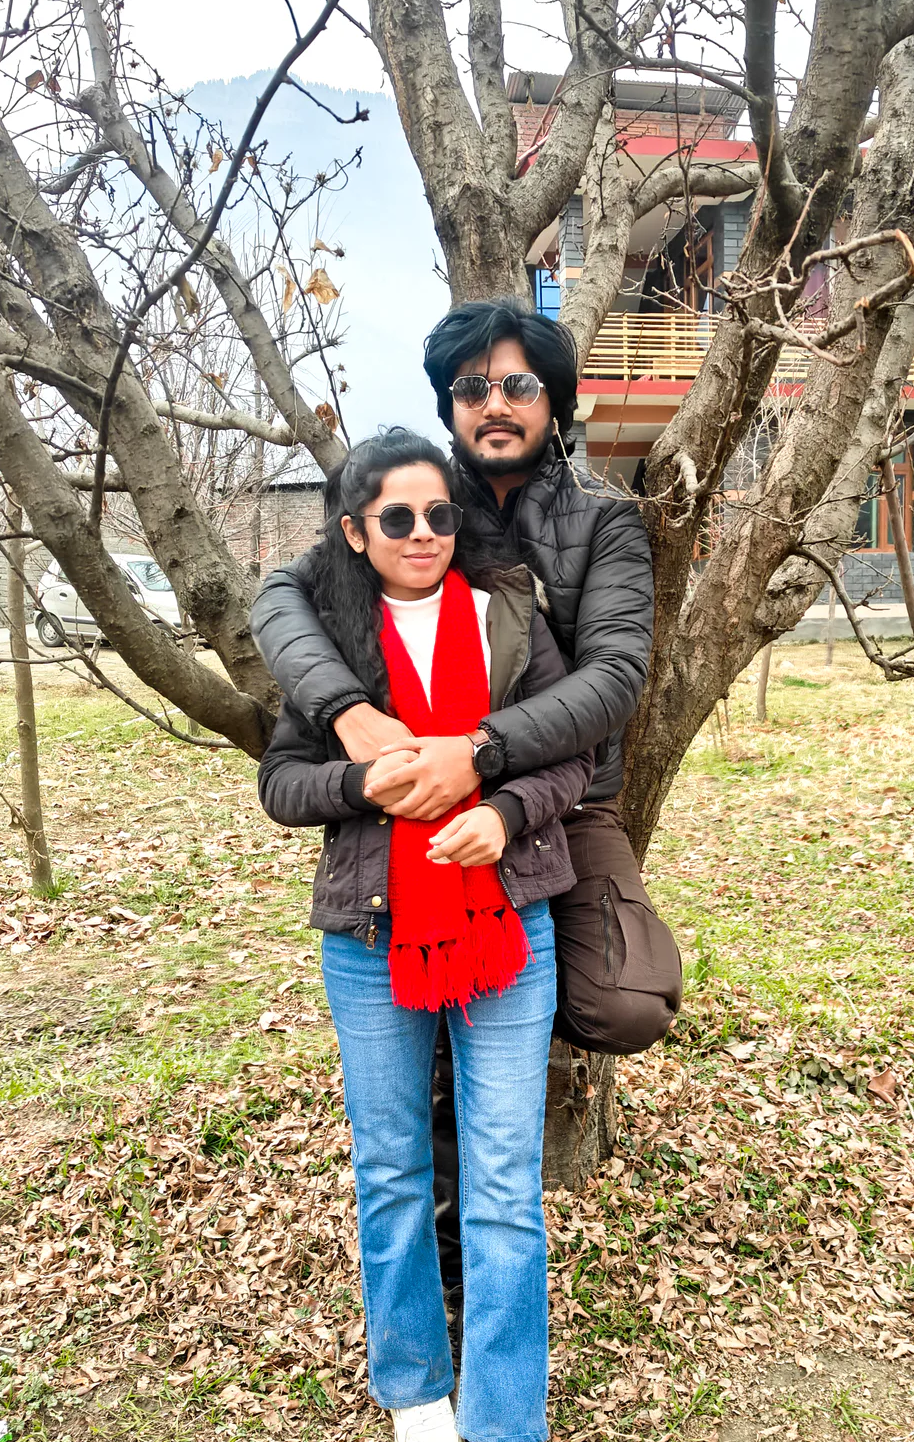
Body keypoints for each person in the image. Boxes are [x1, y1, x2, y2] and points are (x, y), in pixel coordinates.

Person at [251, 299, 682, 1334]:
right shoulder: (420, 495)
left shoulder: (603, 520)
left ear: (555, 400)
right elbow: (280, 598)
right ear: (450, 402)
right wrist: (348, 715)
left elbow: (615, 675)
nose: (495, 405)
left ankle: (498, 1092)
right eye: (473, 388)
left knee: (624, 1001)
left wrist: (484, 758)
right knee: (415, 1075)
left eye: (519, 386)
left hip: (555, 795)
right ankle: (441, 1260)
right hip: (402, 803)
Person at [258, 428, 593, 1442]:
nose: (421, 536)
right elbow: (282, 782)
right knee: (391, 1164)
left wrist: (502, 811)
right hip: (369, 934)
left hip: (508, 924)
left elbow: (572, 758)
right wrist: (361, 779)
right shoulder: (333, 641)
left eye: (439, 515)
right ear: (356, 529)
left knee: (504, 1176)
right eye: (395, 518)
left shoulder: (508, 618)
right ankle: (412, 1383)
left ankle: (507, 1433)